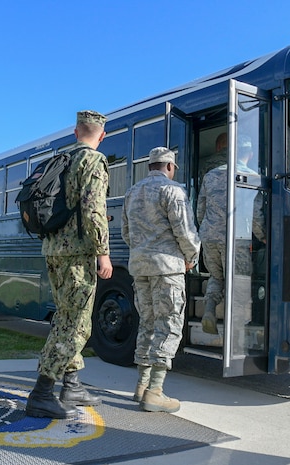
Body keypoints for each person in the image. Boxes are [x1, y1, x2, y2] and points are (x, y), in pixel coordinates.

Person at [25, 110, 113, 419]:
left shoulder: (59, 160)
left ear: (76, 133)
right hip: (77, 253)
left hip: (53, 250)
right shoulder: (93, 162)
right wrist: (103, 252)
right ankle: (42, 391)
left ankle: (72, 384)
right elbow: (93, 210)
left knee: (68, 315)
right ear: (101, 136)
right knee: (73, 323)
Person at [121, 147, 200, 413]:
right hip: (167, 268)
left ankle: (141, 386)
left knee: (148, 322)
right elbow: (185, 231)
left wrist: (141, 252)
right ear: (169, 166)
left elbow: (125, 232)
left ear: (150, 166)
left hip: (139, 267)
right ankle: (156, 391)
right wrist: (192, 256)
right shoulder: (173, 191)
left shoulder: (131, 193)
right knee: (169, 324)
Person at [197, 134, 264, 335]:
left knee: (216, 276)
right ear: (250, 155)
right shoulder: (252, 178)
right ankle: (234, 332)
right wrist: (263, 236)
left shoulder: (210, 175)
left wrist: (207, 230)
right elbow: (256, 215)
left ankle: (209, 309)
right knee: (238, 281)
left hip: (209, 237)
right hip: (236, 238)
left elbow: (200, 210)